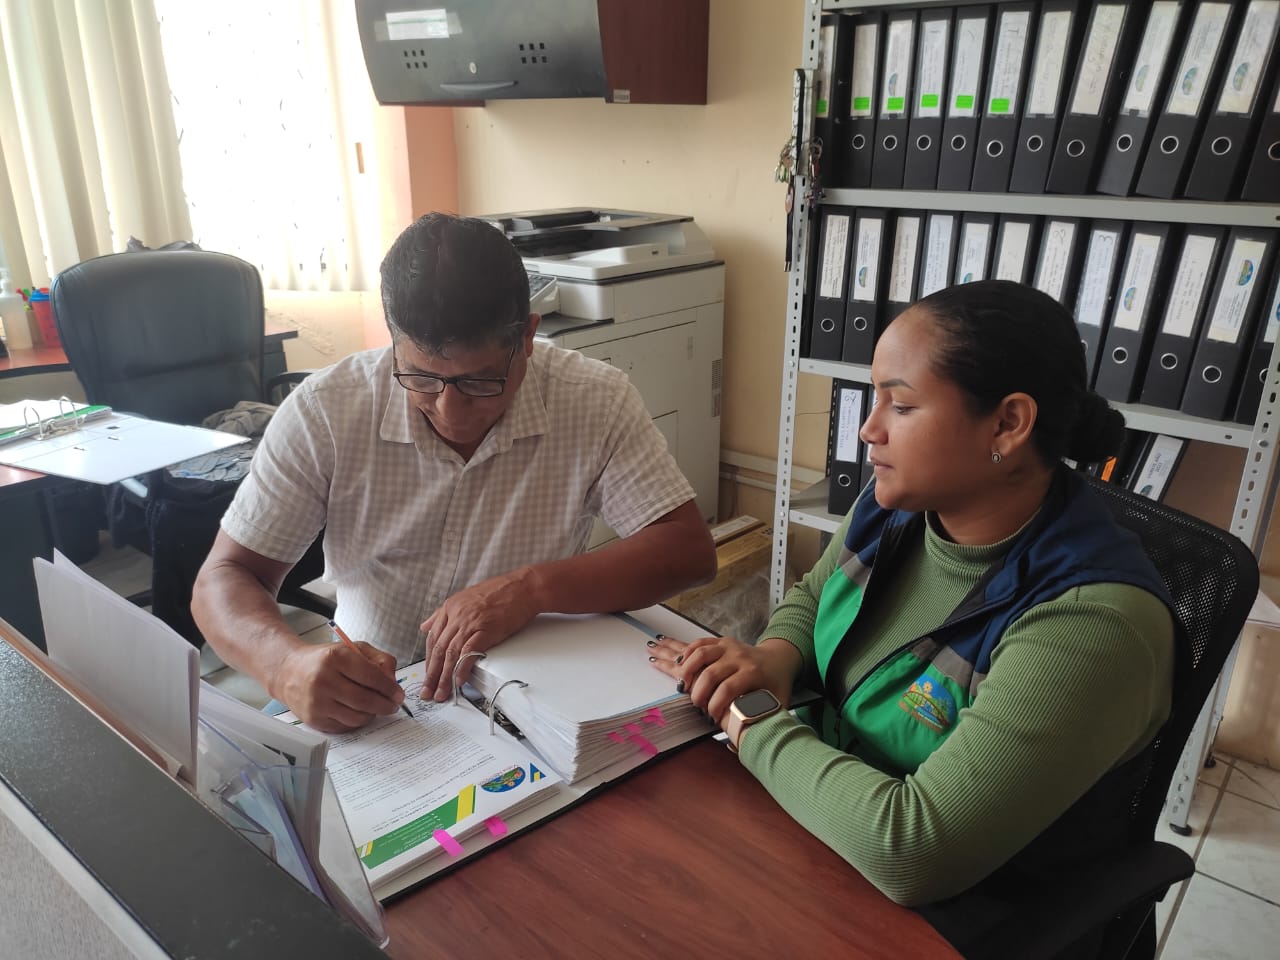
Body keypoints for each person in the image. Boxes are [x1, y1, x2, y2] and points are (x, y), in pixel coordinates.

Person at [648, 280, 1175, 920]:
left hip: (960, 915)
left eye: (900, 406)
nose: (869, 429)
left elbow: (912, 849)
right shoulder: (897, 507)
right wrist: (776, 656)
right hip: (817, 833)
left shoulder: (1092, 623)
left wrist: (748, 720)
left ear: (1008, 423)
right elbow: (815, 595)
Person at [194, 212, 716, 732]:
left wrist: (532, 588)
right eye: (421, 378)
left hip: (527, 687)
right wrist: (284, 665)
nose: (450, 411)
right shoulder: (326, 410)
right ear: (393, 339)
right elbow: (225, 576)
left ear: (528, 338)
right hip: (365, 692)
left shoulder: (594, 399)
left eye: (480, 381)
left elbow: (687, 551)